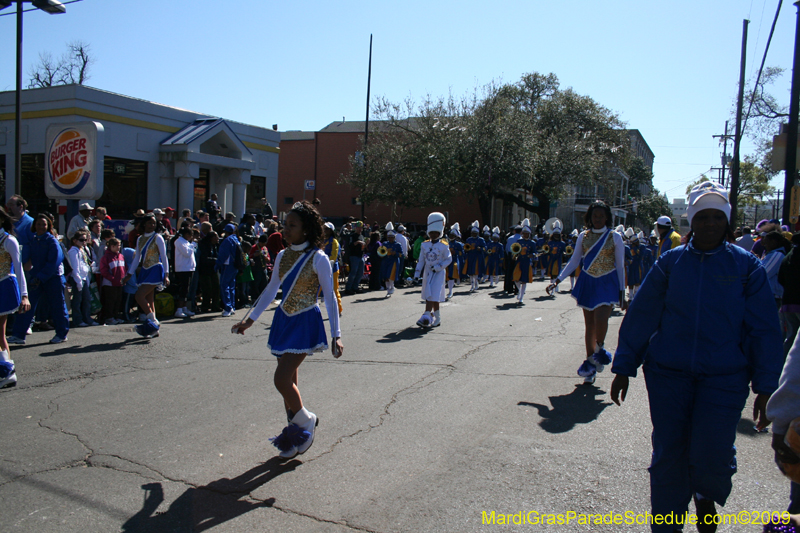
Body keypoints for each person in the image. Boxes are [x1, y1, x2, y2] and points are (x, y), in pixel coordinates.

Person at [610, 182, 783, 532]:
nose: (709, 224)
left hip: (725, 378)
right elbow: (643, 314)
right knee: (669, 454)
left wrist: (766, 387)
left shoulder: (746, 267)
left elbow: (764, 329)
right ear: (692, 221)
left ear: (726, 221)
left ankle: (705, 493)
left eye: (717, 217)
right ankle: (667, 524)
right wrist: (624, 365)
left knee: (711, 452)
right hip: (668, 374)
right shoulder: (671, 263)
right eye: (702, 217)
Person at [231, 200, 342, 459]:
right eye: (285, 224)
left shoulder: (319, 258)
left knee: (281, 379)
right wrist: (250, 320)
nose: (286, 229)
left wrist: (336, 335)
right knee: (289, 383)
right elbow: (271, 290)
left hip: (305, 322)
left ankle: (307, 420)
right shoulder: (282, 255)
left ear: (306, 229)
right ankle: (295, 435)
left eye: (292, 225)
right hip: (283, 320)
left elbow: (329, 297)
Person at [548, 201, 626, 385]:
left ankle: (600, 349)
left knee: (601, 319)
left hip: (607, 282)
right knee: (589, 325)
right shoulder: (583, 236)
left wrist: (622, 292)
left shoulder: (615, 237)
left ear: (607, 217)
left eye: (601, 216)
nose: (597, 219)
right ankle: (590, 366)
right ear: (590, 217)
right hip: (588, 281)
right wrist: (557, 280)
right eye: (594, 216)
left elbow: (620, 266)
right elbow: (574, 261)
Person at [7, 214, 70, 345]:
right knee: (26, 305)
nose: (41, 227)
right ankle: (18, 335)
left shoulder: (52, 241)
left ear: (49, 226)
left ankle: (61, 334)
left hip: (53, 278)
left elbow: (54, 262)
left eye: (44, 224)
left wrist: (40, 276)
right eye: (38, 224)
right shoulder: (34, 240)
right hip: (37, 278)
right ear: (34, 226)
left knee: (58, 307)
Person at [124, 214, 170, 337]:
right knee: (149, 300)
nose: (152, 225)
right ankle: (154, 330)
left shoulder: (158, 237)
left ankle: (154, 321)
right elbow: (137, 259)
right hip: (145, 270)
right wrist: (129, 274)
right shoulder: (140, 239)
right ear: (144, 224)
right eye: (149, 223)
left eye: (154, 223)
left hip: (155, 269)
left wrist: (166, 274)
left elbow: (164, 256)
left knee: (139, 296)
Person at [0, 207, 30, 389]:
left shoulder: (8, 240)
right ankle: (6, 371)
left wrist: (24, 295)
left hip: (4, 287)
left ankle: (7, 371)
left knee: (0, 334)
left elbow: (19, 269)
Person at [414, 212, 452, 328]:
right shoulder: (424, 245)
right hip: (428, 273)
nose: (433, 235)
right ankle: (437, 318)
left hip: (438, 273)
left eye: (436, 232)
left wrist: (438, 267)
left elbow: (449, 259)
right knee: (431, 296)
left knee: (433, 294)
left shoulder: (444, 245)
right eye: (431, 233)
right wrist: (416, 274)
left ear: (440, 232)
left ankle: (426, 316)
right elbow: (421, 260)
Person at [67, 230, 98, 327]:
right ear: (75, 240)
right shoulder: (73, 251)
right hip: (78, 279)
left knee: (86, 300)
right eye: (81, 240)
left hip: (85, 278)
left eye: (85, 240)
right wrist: (78, 281)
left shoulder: (82, 250)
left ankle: (87, 318)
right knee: (78, 300)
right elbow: (75, 267)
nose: (84, 242)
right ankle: (78, 320)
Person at [97, 238, 126, 325]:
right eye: (117, 245)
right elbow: (104, 271)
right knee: (110, 301)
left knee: (118, 300)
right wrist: (113, 279)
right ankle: (109, 317)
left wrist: (124, 278)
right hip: (109, 284)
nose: (119, 247)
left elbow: (124, 268)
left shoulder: (121, 256)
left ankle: (115, 316)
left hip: (120, 283)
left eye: (119, 245)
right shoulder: (106, 257)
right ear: (112, 246)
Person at [780, 234, 800, 357]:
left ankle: (784, 362)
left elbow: (780, 279)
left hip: (788, 302)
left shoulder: (787, 257)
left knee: (791, 336)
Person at [216, 223, 241, 316]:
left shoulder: (227, 240)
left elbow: (223, 255)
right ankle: (232, 306)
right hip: (235, 266)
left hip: (227, 265)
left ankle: (228, 308)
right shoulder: (236, 239)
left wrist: (217, 265)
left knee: (224, 286)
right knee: (231, 287)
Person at [173, 227, 197, 318]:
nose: (192, 237)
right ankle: (179, 309)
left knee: (187, 289)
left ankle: (184, 307)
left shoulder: (186, 242)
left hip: (189, 268)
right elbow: (187, 253)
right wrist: (193, 244)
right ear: (186, 234)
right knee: (183, 289)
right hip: (183, 269)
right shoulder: (179, 241)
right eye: (191, 235)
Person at [197, 232, 221, 313]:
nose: (218, 239)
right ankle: (205, 306)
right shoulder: (204, 245)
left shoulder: (215, 246)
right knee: (207, 289)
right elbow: (204, 259)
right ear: (211, 238)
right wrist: (215, 260)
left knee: (216, 288)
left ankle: (215, 306)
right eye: (216, 237)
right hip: (205, 270)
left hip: (213, 270)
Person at [322, 223, 343, 314]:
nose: (324, 231)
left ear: (331, 231)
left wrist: (327, 265)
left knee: (334, 289)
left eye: (326, 229)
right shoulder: (322, 241)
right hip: (321, 269)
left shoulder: (334, 242)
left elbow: (334, 256)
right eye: (324, 229)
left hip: (332, 269)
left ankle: (338, 309)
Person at [380, 223, 403, 297]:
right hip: (385, 261)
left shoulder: (398, 245)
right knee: (385, 276)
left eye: (392, 237)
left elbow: (401, 254)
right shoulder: (384, 244)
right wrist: (381, 255)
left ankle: (391, 287)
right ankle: (388, 289)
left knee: (391, 275)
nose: (390, 239)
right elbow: (381, 252)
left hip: (393, 262)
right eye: (389, 237)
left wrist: (395, 253)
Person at [462, 221, 486, 292]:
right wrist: (466, 249)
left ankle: (476, 283)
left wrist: (480, 249)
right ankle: (472, 285)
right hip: (470, 257)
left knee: (475, 271)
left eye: (475, 233)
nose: (473, 234)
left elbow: (485, 248)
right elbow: (466, 247)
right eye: (472, 233)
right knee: (470, 272)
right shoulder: (469, 239)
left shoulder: (481, 240)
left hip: (477, 257)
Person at [344, 221, 365, 295]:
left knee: (360, 273)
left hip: (361, 256)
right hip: (354, 256)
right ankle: (348, 288)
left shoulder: (362, 236)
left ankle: (355, 287)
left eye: (361, 228)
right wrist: (358, 242)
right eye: (358, 227)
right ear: (355, 228)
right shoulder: (352, 236)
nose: (360, 229)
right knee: (353, 273)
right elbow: (350, 245)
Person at [445, 223, 463, 300]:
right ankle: (449, 290)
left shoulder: (458, 244)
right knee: (447, 277)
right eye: (450, 235)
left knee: (451, 276)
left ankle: (451, 291)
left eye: (453, 236)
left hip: (454, 262)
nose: (451, 237)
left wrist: (455, 252)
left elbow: (462, 253)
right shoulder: (447, 243)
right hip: (447, 262)